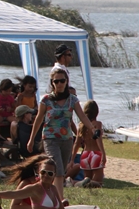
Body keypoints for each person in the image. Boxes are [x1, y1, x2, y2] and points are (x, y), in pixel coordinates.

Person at [27, 69, 97, 197]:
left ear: (66, 82)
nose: (59, 84)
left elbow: (82, 117)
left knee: (61, 171)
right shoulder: (46, 100)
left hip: (67, 139)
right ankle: (59, 201)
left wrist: (92, 128)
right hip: (50, 138)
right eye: (56, 81)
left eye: (62, 81)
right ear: (52, 83)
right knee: (58, 170)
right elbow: (38, 119)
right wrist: (31, 139)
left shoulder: (72, 100)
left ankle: (47, 194)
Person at [69, 100, 106, 188]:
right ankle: (74, 183)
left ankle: (75, 183)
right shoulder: (97, 124)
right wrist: (103, 154)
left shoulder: (81, 126)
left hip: (85, 154)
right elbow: (98, 140)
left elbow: (76, 144)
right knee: (98, 182)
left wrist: (72, 159)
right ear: (96, 112)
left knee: (87, 179)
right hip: (95, 153)